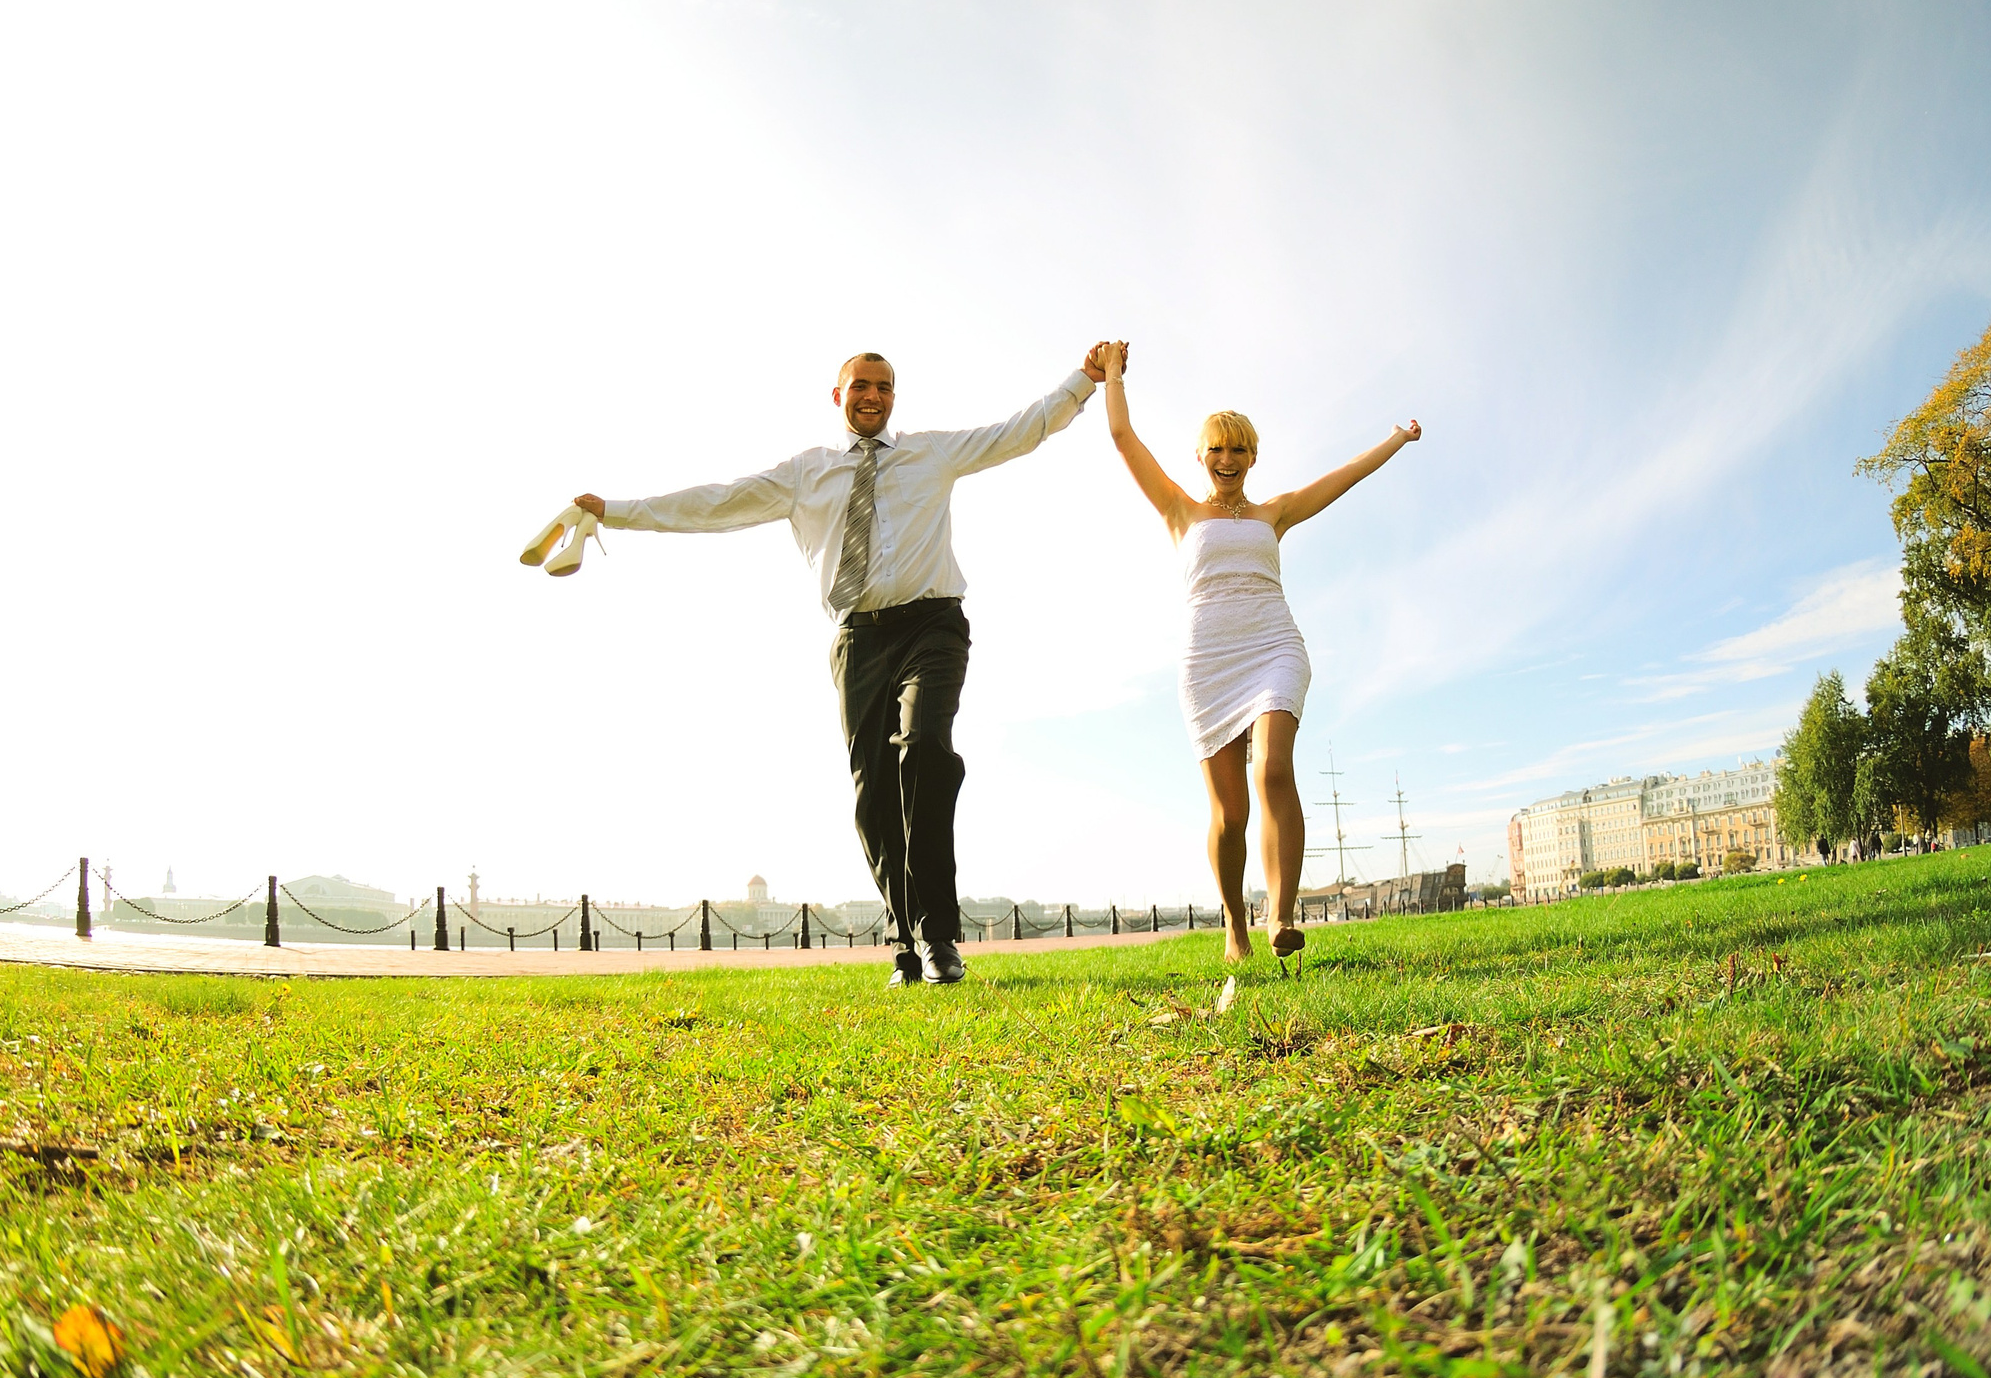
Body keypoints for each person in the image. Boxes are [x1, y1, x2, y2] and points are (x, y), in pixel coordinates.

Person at [572, 346, 1112, 987]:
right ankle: (905, 942)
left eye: (885, 387)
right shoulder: (806, 473)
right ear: (838, 395)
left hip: (934, 625)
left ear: (895, 396)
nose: (873, 397)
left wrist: (1085, 381)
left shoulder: (931, 453)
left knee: (926, 754)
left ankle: (940, 938)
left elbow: (1020, 432)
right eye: (861, 386)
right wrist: (619, 512)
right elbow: (716, 504)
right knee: (874, 793)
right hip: (858, 640)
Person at [1098, 342, 1420, 964]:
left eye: (1239, 448)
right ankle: (1234, 932)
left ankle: (1280, 916)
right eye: (1216, 448)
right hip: (1208, 662)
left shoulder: (1275, 513)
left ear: (1253, 457)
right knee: (1230, 811)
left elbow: (1344, 477)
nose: (1227, 458)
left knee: (1273, 769)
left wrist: (1395, 440)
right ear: (1200, 456)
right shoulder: (1179, 510)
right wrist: (1112, 374)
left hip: (1274, 646)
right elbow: (1121, 435)